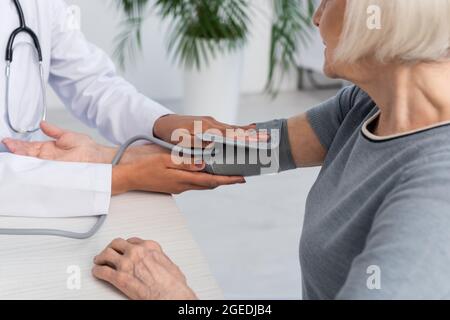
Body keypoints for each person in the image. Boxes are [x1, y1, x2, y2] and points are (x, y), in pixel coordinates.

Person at [11, 0, 450, 300]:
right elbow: (253, 150)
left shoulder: (435, 193)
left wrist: (177, 297)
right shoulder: (369, 105)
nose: (316, 18)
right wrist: (107, 158)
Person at [0, 0, 246, 219]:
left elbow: (91, 82)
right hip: (32, 192)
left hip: (43, 179)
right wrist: (123, 175)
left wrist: (161, 122)